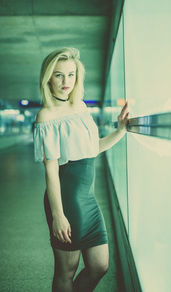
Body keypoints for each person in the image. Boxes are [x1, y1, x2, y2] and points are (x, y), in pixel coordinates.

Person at [33, 47, 129, 292]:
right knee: (66, 270)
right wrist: (58, 215)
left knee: (100, 265)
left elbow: (91, 149)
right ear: (48, 79)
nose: (66, 81)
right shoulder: (47, 116)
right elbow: (51, 171)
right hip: (67, 200)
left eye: (71, 74)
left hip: (88, 198)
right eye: (59, 75)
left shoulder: (82, 107)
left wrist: (119, 131)